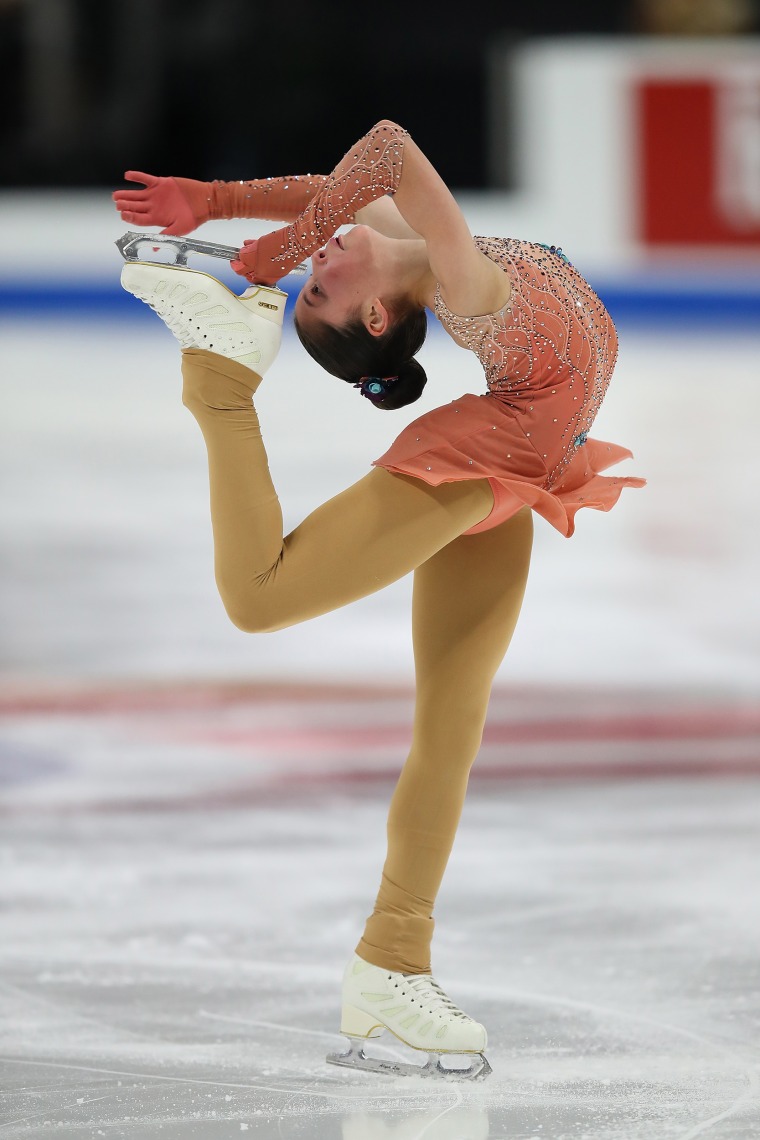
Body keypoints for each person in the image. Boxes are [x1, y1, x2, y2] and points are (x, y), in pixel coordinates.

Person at [113, 119, 644, 1079]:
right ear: (372, 320)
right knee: (259, 597)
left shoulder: (434, 251)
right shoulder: (468, 289)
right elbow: (389, 150)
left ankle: (391, 964)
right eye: (319, 288)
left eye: (307, 274)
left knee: (452, 723)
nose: (315, 260)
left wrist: (222, 201)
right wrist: (277, 254)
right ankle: (223, 381)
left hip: (523, 477)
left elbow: (351, 184)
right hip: (480, 464)